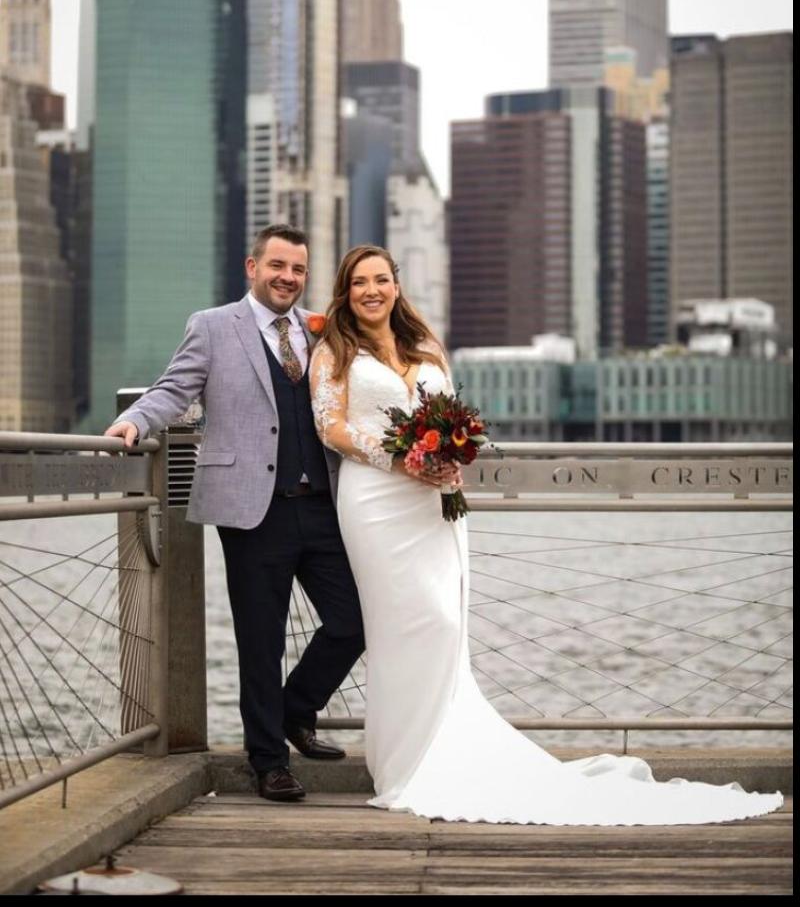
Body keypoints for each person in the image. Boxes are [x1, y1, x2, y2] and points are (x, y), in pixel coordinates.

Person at [308, 243, 785, 826]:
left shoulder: (427, 347)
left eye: (382, 279)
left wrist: (452, 459)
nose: (372, 291)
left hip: (433, 502)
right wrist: (398, 459)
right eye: (360, 282)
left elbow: (452, 418)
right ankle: (403, 763)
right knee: (404, 623)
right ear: (345, 289)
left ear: (397, 286)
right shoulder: (334, 350)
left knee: (446, 621)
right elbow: (331, 428)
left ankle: (444, 746)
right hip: (377, 501)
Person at [105, 224, 365, 803]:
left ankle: (297, 710)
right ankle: (268, 761)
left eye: (297, 269)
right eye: (277, 266)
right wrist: (136, 421)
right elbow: (175, 388)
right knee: (260, 640)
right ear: (253, 267)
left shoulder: (320, 331)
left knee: (355, 619)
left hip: (323, 506)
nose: (287, 278)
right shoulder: (213, 325)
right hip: (252, 510)